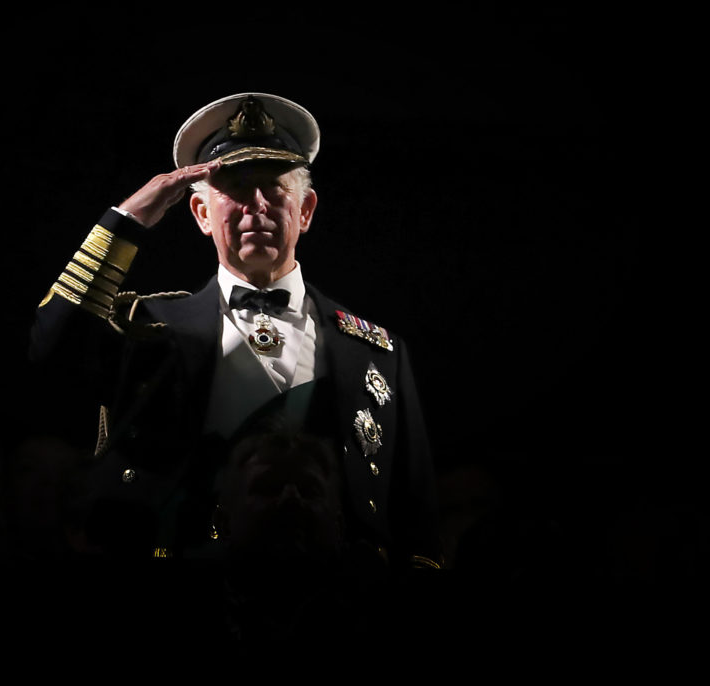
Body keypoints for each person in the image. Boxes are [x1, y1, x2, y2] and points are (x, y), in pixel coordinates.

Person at [29, 92, 441, 571]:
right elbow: (51, 354)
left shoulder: (377, 351)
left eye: (274, 188)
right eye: (237, 190)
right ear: (202, 214)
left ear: (305, 210)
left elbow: (415, 519)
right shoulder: (146, 330)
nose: (257, 206)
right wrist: (127, 222)